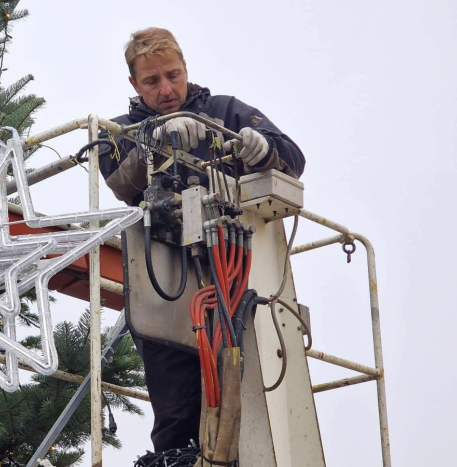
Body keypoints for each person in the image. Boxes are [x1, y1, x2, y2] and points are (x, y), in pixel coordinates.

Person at [98, 27, 306, 453]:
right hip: (163, 282)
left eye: (172, 75)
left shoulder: (226, 112)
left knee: (247, 391)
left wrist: (262, 150)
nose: (166, 88)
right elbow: (119, 181)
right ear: (134, 85)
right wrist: (153, 142)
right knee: (176, 407)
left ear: (186, 70)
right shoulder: (117, 131)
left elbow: (294, 158)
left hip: (237, 274)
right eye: (152, 81)